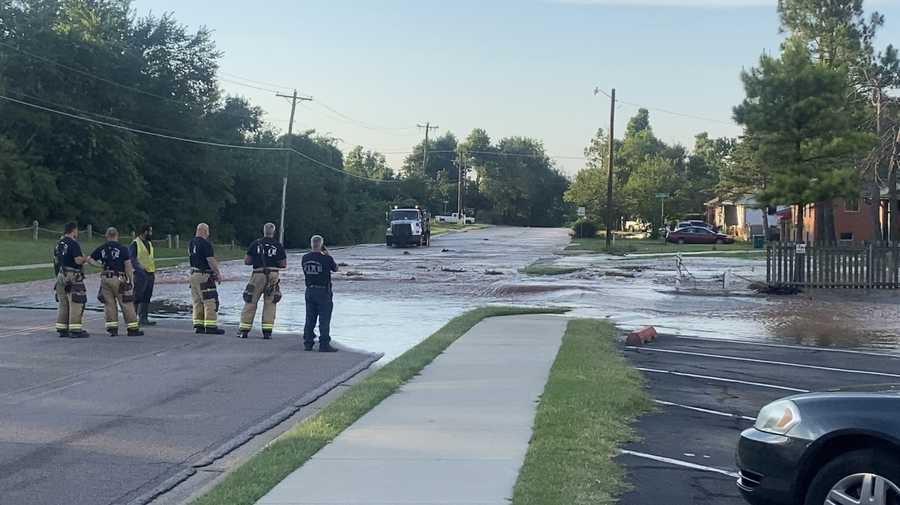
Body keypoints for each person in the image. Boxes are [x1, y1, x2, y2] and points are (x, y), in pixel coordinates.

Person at [88, 227, 143, 337]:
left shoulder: (102, 248)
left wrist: (100, 266)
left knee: (109, 304)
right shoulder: (122, 248)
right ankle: (132, 329)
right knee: (126, 303)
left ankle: (112, 328)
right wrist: (130, 280)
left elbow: (89, 259)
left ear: (106, 236)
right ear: (117, 236)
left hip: (105, 278)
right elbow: (127, 265)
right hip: (119, 278)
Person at [238, 223, 287, 340]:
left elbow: (247, 261)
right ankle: (267, 332)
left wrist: (257, 258)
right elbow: (283, 264)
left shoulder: (255, 244)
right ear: (274, 232)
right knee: (270, 303)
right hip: (273, 276)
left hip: (258, 275)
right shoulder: (278, 245)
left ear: (263, 231)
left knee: (250, 300)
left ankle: (244, 330)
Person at [301, 235, 338, 352]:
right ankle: (324, 344)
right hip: (323, 291)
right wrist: (328, 254)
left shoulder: (305, 258)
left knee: (310, 318)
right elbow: (335, 268)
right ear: (321, 245)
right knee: (324, 319)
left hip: (309, 290)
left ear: (311, 244)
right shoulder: (326, 258)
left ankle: (308, 343)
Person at [53, 222, 89, 338]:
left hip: (60, 275)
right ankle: (75, 329)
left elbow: (56, 261)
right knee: (76, 302)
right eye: (77, 231)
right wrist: (85, 259)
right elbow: (78, 260)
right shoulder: (73, 243)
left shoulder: (58, 244)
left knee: (63, 303)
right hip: (72, 275)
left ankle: (62, 328)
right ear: (73, 230)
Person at [188, 223, 225, 335]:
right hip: (204, 275)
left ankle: (198, 325)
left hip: (193, 274)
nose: (208, 234)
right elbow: (210, 260)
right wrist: (217, 273)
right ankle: (210, 326)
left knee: (197, 301)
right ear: (204, 231)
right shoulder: (205, 244)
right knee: (210, 301)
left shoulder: (191, 243)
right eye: (208, 231)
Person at [130, 224, 156, 326]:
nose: (151, 234)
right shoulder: (135, 244)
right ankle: (132, 318)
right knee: (137, 296)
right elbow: (132, 259)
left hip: (150, 273)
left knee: (147, 296)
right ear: (145, 232)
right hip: (140, 274)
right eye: (150, 231)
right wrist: (139, 269)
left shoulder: (149, 243)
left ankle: (143, 318)